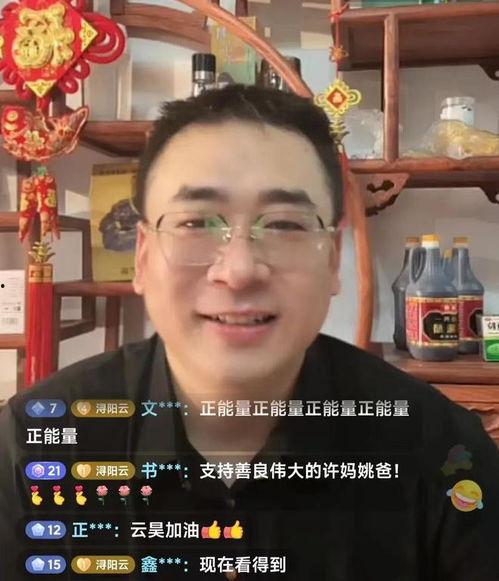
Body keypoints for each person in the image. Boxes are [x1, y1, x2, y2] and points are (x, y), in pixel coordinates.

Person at [0, 84, 498, 580]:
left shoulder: (442, 451)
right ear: (143, 257)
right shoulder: (32, 446)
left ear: (332, 260)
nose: (238, 270)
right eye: (195, 222)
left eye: (284, 225)